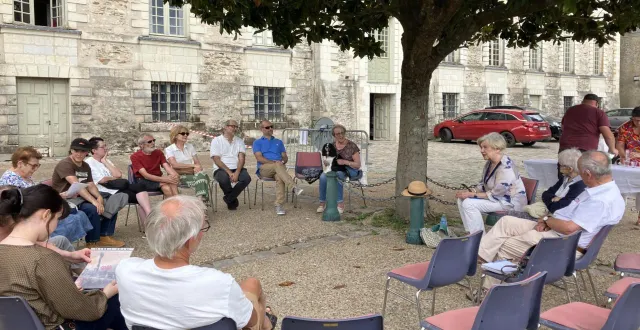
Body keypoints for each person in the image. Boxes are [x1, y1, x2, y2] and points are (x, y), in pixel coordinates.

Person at [116, 196, 273, 330]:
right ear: (190, 240)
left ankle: (266, 319)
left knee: (251, 284)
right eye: (203, 228)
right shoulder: (219, 283)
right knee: (254, 288)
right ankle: (267, 320)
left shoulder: (125, 270)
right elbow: (250, 321)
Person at [478, 151, 624, 290]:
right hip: (557, 231)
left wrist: (548, 220)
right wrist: (547, 220)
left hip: (563, 243)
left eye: (580, 171)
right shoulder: (602, 189)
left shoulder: (600, 200)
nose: (578, 175)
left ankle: (491, 290)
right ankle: (481, 258)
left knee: (507, 245)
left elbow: (568, 228)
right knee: (507, 222)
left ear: (588, 174)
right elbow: (564, 213)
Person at [0, 184, 126, 330]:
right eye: (57, 219)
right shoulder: (43, 259)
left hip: (15, 324)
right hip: (54, 325)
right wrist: (105, 294)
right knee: (114, 299)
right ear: (46, 215)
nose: (55, 226)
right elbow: (84, 310)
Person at [0, 146, 94, 244]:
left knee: (79, 215)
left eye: (37, 165)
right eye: (33, 166)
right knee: (75, 218)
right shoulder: (9, 182)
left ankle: (87, 243)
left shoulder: (24, 176)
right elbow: (21, 210)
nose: (36, 169)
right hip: (31, 221)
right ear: (20, 164)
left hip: (39, 215)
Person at [52, 138, 125, 248]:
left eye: (82, 151)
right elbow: (77, 186)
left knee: (110, 201)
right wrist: (95, 202)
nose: (79, 154)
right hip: (66, 199)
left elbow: (90, 184)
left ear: (87, 152)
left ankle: (105, 235)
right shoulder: (65, 164)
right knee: (92, 208)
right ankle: (92, 241)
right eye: (76, 150)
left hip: (79, 197)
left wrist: (99, 197)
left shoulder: (85, 166)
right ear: (71, 150)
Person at [0, 184, 90, 273]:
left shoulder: (16, 226)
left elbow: (38, 243)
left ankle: (85, 275)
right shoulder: (11, 229)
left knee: (61, 240)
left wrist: (70, 255)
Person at [455, 132, 527, 233]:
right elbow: (483, 184)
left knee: (468, 203)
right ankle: (471, 232)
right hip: (497, 199)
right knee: (462, 199)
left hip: (509, 202)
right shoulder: (490, 163)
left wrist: (472, 194)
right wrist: (472, 191)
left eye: (485, 147)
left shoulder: (506, 167)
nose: (482, 151)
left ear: (497, 148)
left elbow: (496, 193)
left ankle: (479, 238)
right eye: (481, 147)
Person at [86, 137, 153, 225]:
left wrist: (105, 162)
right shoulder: (89, 163)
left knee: (140, 186)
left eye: (105, 145)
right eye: (103, 147)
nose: (106, 148)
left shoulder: (106, 161)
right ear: (94, 151)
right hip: (106, 191)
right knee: (139, 197)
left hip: (116, 187)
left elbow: (118, 174)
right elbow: (102, 180)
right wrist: (113, 178)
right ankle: (150, 221)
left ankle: (149, 215)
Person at [505, 148, 586, 220]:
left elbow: (561, 207)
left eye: (561, 165)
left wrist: (551, 202)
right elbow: (545, 194)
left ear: (569, 169)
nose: (559, 167)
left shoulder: (579, 185)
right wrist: (553, 199)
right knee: (509, 217)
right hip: (546, 211)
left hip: (554, 217)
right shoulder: (565, 178)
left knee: (510, 218)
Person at [559, 93, 617, 177]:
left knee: (564, 174)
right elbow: (607, 134)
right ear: (597, 104)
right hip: (585, 149)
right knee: (582, 177)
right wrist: (612, 149)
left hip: (565, 148)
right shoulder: (599, 112)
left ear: (583, 101)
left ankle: (562, 187)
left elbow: (563, 127)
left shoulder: (570, 110)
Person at [252, 120, 303, 215]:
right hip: (264, 168)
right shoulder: (257, 142)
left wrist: (282, 161)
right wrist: (275, 163)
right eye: (267, 127)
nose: (270, 129)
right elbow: (259, 158)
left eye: (271, 126)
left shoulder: (278, 142)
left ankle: (278, 205)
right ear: (262, 129)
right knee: (278, 165)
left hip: (279, 168)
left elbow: (285, 157)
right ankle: (293, 186)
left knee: (280, 177)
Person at [317, 124, 362, 214]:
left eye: (342, 133)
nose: (340, 135)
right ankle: (322, 202)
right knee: (322, 177)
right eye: (337, 134)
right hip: (333, 168)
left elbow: (358, 164)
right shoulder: (331, 145)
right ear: (334, 135)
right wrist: (326, 161)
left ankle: (340, 203)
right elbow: (328, 162)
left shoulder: (352, 146)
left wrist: (345, 162)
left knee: (338, 175)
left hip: (347, 169)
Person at [210, 119, 252, 210]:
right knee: (224, 179)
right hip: (220, 169)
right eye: (232, 126)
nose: (235, 128)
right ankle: (232, 200)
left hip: (236, 168)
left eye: (236, 127)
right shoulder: (216, 141)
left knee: (246, 178)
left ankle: (229, 198)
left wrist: (237, 172)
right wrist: (229, 172)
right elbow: (216, 159)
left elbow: (241, 158)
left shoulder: (239, 141)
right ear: (225, 127)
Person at [164, 125, 211, 204]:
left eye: (187, 133)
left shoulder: (190, 146)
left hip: (193, 174)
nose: (185, 135)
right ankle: (202, 204)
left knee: (201, 176)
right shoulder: (169, 149)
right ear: (175, 135)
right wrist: (192, 166)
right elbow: (174, 165)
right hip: (179, 177)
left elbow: (198, 164)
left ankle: (200, 202)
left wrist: (194, 167)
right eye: (182, 133)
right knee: (202, 178)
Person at [615, 106, 640, 225]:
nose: (638, 122)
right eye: (636, 120)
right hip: (628, 162)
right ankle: (616, 214)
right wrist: (623, 155)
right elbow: (619, 144)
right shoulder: (625, 127)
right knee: (621, 188)